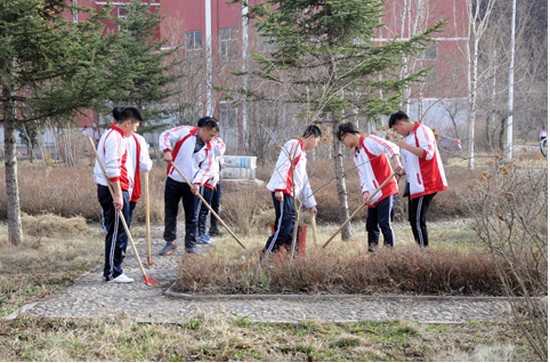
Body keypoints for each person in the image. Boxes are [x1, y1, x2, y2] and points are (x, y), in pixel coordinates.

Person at [93, 106, 143, 283]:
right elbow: (112, 168)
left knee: (121, 229)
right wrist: (118, 194)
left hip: (118, 188)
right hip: (113, 189)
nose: (135, 130)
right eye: (135, 126)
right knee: (116, 230)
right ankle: (112, 272)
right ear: (128, 123)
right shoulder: (114, 137)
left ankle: (116, 268)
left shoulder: (117, 136)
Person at [337, 122, 404, 252]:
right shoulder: (356, 155)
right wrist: (365, 192)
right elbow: (363, 177)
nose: (344, 143)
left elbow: (391, 146)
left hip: (386, 189)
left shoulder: (370, 141)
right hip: (373, 195)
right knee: (371, 226)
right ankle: (372, 256)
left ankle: (389, 255)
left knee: (384, 223)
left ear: (348, 135)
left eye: (343, 139)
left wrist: (396, 162)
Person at [158, 118, 220, 255]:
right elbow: (165, 135)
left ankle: (190, 245)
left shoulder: (210, 147)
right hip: (174, 179)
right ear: (203, 129)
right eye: (210, 135)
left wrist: (198, 183)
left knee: (192, 215)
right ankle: (170, 242)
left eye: (214, 136)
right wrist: (166, 150)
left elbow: (207, 168)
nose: (211, 139)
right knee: (170, 212)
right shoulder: (185, 131)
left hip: (192, 184)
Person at [389, 111, 448, 248]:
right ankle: (421, 250)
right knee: (413, 219)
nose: (398, 133)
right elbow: (413, 162)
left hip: (427, 182)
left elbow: (427, 154)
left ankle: (424, 252)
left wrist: (405, 146)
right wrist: (403, 171)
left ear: (401, 124)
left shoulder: (422, 130)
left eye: (397, 129)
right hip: (414, 184)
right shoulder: (409, 137)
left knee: (418, 220)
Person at [263, 125, 322, 259]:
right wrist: (279, 188)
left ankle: (294, 260)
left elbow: (303, 181)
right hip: (283, 193)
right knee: (284, 228)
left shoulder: (302, 155)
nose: (316, 145)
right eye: (317, 141)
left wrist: (311, 204)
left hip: (290, 195)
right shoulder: (294, 145)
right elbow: (283, 166)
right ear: (311, 137)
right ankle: (265, 258)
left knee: (292, 229)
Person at [111, 106, 153, 224]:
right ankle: (122, 242)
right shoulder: (138, 139)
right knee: (124, 224)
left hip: (116, 187)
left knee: (115, 225)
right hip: (131, 186)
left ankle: (121, 242)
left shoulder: (111, 136)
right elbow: (146, 165)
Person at [196, 116, 226, 245]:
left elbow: (220, 151)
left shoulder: (215, 142)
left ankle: (211, 228)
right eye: (212, 131)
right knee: (203, 208)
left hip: (214, 178)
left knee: (214, 204)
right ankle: (200, 233)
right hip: (204, 179)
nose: (215, 133)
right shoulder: (199, 144)